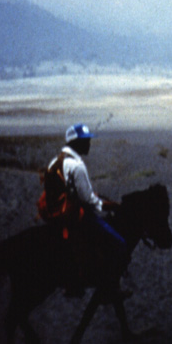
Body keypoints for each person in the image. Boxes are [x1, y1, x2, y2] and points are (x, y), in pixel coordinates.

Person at [50, 123, 128, 298]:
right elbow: (89, 201)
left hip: (57, 214)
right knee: (119, 243)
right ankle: (108, 289)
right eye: (85, 141)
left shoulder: (56, 161)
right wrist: (110, 205)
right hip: (74, 216)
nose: (89, 145)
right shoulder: (77, 166)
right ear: (75, 143)